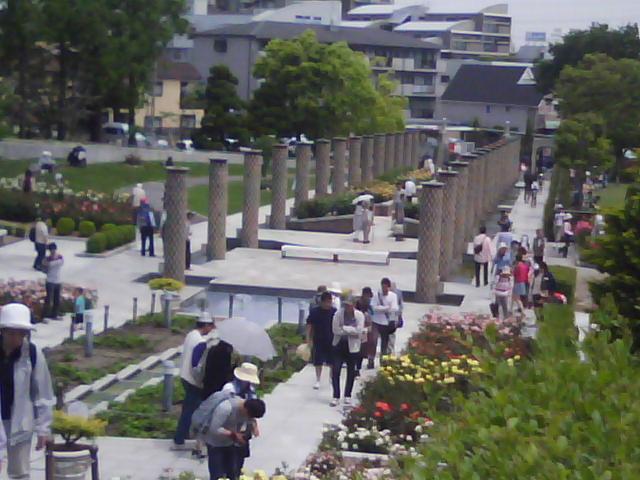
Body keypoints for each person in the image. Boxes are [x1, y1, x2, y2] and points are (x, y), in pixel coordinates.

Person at [0, 303, 54, 478]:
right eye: (12, 333)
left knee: (20, 472)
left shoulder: (32, 353)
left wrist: (43, 429)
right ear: (3, 331)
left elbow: (43, 392)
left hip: (20, 421)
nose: (17, 338)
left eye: (21, 333)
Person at [173, 315, 215, 450]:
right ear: (206, 325)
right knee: (192, 412)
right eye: (211, 326)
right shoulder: (200, 342)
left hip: (184, 376)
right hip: (193, 381)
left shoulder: (191, 335)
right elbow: (196, 366)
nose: (211, 329)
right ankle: (181, 439)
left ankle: (183, 437)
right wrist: (201, 382)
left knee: (189, 409)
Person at [203, 396, 266, 480]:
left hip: (230, 443)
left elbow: (250, 420)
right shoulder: (225, 408)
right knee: (217, 474)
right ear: (245, 410)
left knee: (233, 473)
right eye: (249, 416)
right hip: (215, 444)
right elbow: (214, 428)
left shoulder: (247, 409)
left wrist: (254, 426)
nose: (248, 418)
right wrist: (233, 435)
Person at [222, 363, 260, 473]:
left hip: (244, 427)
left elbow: (253, 408)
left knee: (240, 457)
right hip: (230, 426)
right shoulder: (229, 389)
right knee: (229, 457)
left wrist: (254, 425)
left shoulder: (250, 390)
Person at [330, 295, 364, 406]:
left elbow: (359, 331)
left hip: (353, 347)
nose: (347, 307)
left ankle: (347, 395)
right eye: (346, 305)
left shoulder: (359, 315)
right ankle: (336, 395)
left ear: (354, 305)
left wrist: (344, 328)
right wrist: (351, 330)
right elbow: (335, 330)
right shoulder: (338, 314)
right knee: (336, 371)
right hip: (339, 345)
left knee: (351, 371)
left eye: (349, 305)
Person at [306, 291, 336, 390]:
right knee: (318, 361)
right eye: (326, 302)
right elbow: (309, 325)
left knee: (332, 361)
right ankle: (318, 380)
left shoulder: (334, 312)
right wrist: (308, 339)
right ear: (322, 302)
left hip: (332, 339)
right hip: (318, 339)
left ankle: (331, 378)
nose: (328, 304)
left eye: (330, 302)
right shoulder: (315, 312)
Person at [371, 278, 399, 362]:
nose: (384, 289)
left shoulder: (393, 296)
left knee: (384, 343)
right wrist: (386, 308)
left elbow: (394, 308)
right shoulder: (377, 295)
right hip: (376, 322)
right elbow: (373, 308)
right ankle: (371, 360)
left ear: (389, 287)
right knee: (373, 342)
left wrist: (381, 308)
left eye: (386, 287)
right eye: (383, 287)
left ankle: (383, 361)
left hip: (386, 323)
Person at [355, 287, 374, 373]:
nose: (368, 297)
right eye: (367, 295)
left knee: (362, 350)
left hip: (365, 329)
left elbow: (372, 314)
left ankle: (357, 368)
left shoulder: (370, 304)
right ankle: (355, 367)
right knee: (356, 349)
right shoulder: (358, 302)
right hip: (357, 328)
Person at [42, 243, 63, 321]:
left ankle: (55, 314)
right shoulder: (47, 259)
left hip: (58, 281)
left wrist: (50, 263)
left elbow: (60, 263)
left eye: (53, 249)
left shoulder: (60, 257)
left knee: (57, 300)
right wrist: (47, 264)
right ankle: (45, 316)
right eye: (51, 250)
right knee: (48, 299)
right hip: (50, 281)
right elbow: (44, 268)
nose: (52, 251)